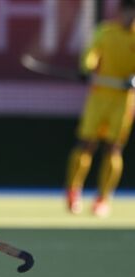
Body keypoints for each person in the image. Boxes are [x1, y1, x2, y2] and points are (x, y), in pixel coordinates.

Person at [65, 0, 135, 217]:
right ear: (121, 11)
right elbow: (91, 53)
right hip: (99, 96)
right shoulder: (105, 31)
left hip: (123, 100)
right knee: (86, 144)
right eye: (128, 11)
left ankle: (103, 199)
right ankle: (73, 192)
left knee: (114, 148)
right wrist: (87, 67)